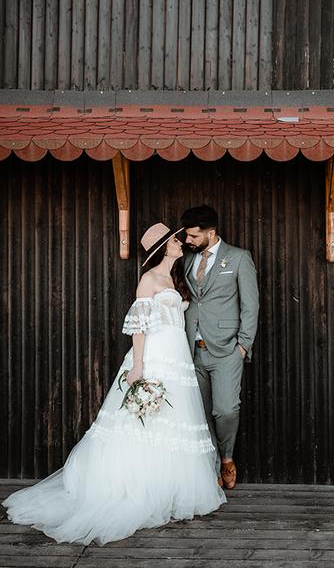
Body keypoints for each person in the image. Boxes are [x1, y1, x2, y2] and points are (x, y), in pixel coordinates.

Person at [3, 223, 225, 545]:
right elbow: (139, 327)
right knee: (143, 421)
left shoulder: (176, 278)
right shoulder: (148, 280)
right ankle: (135, 487)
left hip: (177, 357)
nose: (180, 243)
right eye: (176, 240)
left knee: (174, 422)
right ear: (164, 247)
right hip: (154, 356)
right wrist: (138, 367)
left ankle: (166, 486)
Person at [181, 205, 259, 490]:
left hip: (227, 350)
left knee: (225, 410)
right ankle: (211, 465)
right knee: (198, 413)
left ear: (210, 233)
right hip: (191, 349)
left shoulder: (238, 258)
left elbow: (251, 305)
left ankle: (227, 457)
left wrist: (243, 346)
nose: (188, 240)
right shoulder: (187, 259)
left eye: (193, 235)